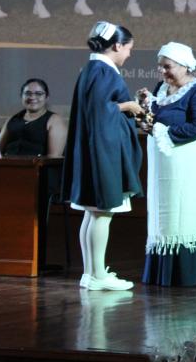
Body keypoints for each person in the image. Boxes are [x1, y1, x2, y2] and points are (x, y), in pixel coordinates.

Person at [62, 21, 145, 291]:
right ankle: (97, 274)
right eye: (129, 48)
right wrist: (129, 106)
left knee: (93, 213)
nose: (129, 55)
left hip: (95, 147)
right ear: (117, 45)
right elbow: (102, 111)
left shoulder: (93, 68)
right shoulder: (103, 71)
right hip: (104, 151)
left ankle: (91, 272)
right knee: (102, 213)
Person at [138, 42, 196, 287]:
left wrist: (162, 131)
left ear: (185, 66)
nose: (163, 72)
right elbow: (153, 121)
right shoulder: (160, 89)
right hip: (165, 166)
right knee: (166, 216)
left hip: (192, 163)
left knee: (186, 215)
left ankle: (188, 274)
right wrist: (144, 109)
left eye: (167, 66)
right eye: (160, 67)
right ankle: (162, 273)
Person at [0, 78, 67, 157]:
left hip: (37, 168)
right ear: (21, 96)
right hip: (7, 167)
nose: (32, 97)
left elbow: (54, 157)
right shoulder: (12, 119)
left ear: (47, 97)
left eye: (38, 94)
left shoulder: (54, 120)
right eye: (28, 93)